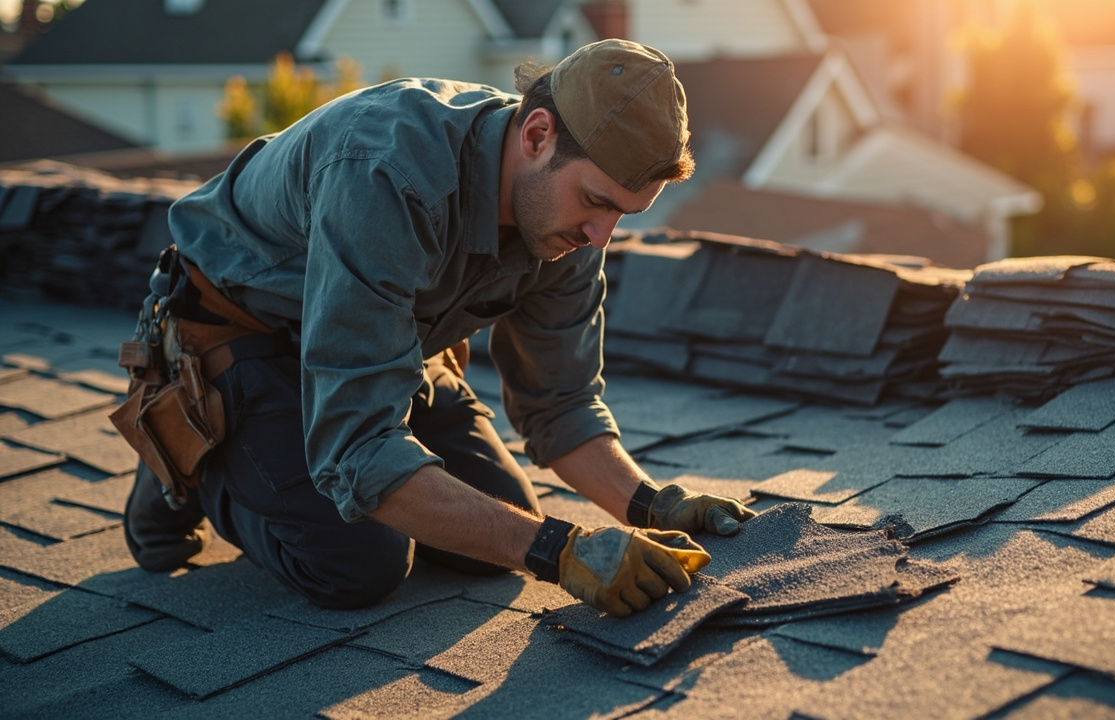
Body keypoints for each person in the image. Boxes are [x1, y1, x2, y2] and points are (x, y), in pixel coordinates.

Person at [121, 39, 755, 618]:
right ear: (536, 134)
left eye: (623, 213)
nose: (601, 237)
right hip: (245, 334)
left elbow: (560, 405)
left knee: (495, 540)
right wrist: (560, 551)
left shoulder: (567, 222)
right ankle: (198, 458)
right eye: (596, 202)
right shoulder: (386, 171)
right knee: (360, 563)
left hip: (382, 344)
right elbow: (358, 447)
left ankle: (287, 469)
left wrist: (653, 505)